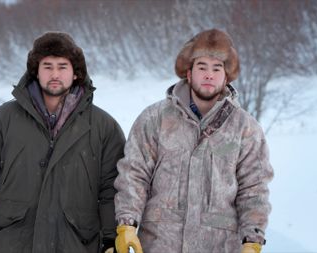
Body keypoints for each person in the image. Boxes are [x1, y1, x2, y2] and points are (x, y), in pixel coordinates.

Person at [0, 32, 125, 253]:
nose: (55, 74)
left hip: (76, 242)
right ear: (36, 72)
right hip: (10, 241)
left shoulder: (103, 126)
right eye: (47, 66)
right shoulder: (3, 119)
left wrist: (111, 237)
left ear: (76, 73)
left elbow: (111, 188)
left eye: (62, 67)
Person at [113, 29, 274, 253]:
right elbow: (134, 174)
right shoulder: (154, 119)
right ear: (188, 73)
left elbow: (254, 189)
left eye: (217, 68)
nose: (209, 74)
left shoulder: (245, 128)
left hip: (220, 247)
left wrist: (252, 240)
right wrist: (127, 225)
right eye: (202, 67)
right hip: (159, 244)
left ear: (226, 76)